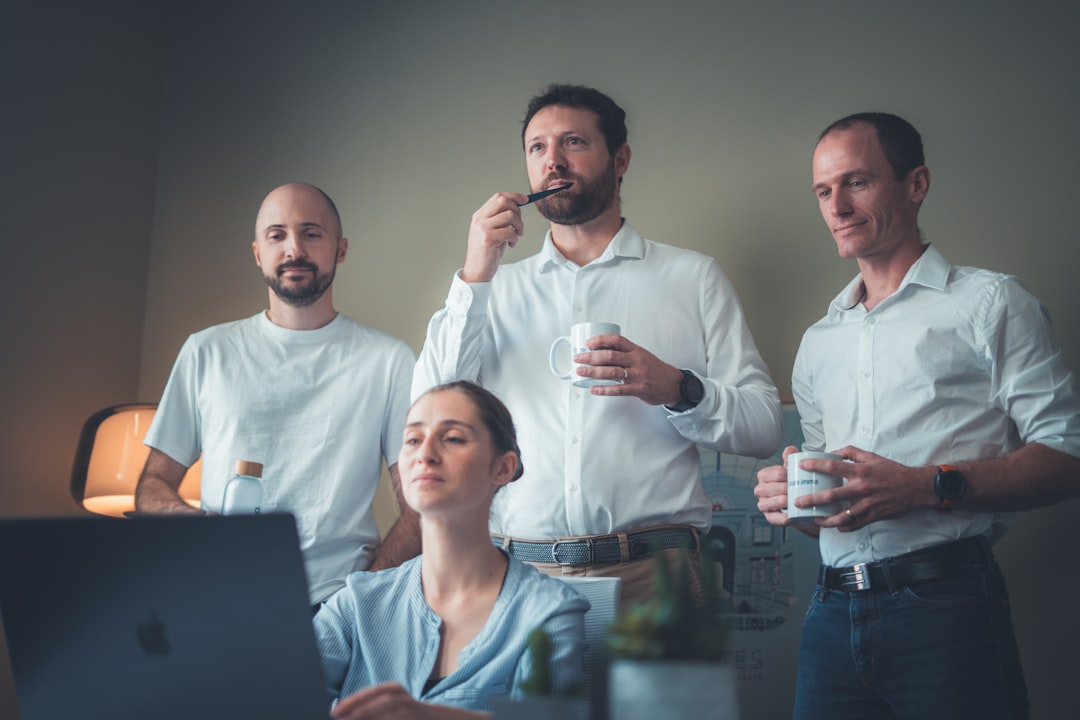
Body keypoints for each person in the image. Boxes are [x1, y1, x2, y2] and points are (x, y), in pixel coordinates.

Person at [754, 112, 1080, 719]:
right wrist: (797, 503)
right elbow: (833, 515)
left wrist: (923, 487)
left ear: (916, 184)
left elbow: (1068, 458)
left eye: (857, 182)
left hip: (947, 610)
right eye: (823, 191)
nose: (837, 207)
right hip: (830, 616)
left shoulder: (992, 303)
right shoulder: (818, 342)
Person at [412, 84, 783, 605]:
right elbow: (428, 408)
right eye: (537, 147)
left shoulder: (693, 278)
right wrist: (474, 275)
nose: (553, 161)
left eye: (574, 142)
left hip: (658, 578)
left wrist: (676, 388)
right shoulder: (492, 288)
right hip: (518, 581)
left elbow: (764, 427)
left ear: (620, 159)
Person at [135, 182, 420, 605]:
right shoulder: (206, 351)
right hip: (216, 596)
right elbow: (152, 485)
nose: (294, 249)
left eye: (311, 233)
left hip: (337, 606)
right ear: (257, 253)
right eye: (277, 235)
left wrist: (357, 602)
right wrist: (190, 523)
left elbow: (419, 508)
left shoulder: (390, 360)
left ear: (340, 249)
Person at [314, 381, 588, 718]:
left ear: (503, 468)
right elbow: (277, 697)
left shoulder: (548, 612)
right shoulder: (356, 603)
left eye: (453, 438)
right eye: (413, 439)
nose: (425, 454)